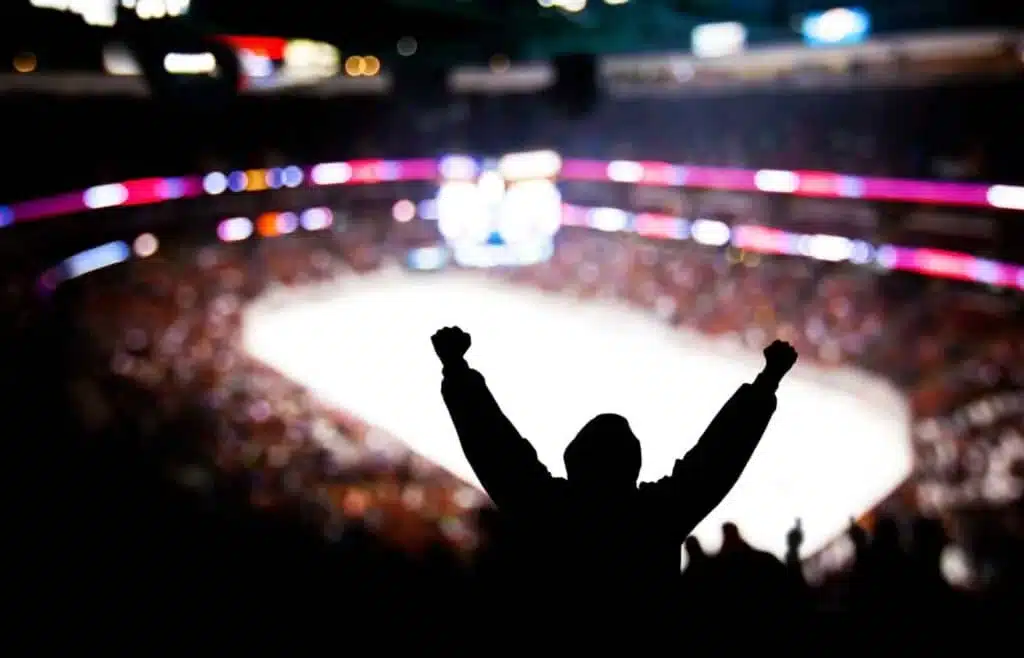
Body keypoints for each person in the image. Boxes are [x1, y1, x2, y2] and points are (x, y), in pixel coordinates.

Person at [432, 326, 797, 627]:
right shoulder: (658, 516)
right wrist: (765, 385)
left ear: (573, 459)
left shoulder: (548, 508)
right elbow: (717, 459)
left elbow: (496, 450)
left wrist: (457, 370)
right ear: (633, 464)